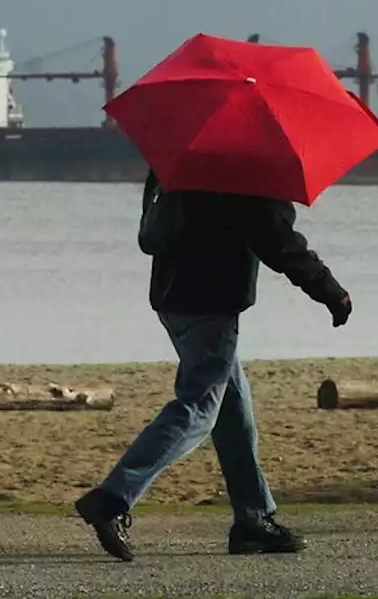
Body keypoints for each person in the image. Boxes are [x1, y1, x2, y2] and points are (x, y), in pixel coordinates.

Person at [74, 168, 352, 562]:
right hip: (211, 302)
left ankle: (252, 520)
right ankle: (113, 498)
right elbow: (276, 238)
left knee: (233, 412)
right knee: (199, 409)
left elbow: (154, 230)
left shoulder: (181, 159)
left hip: (172, 296)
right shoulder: (249, 167)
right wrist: (329, 290)